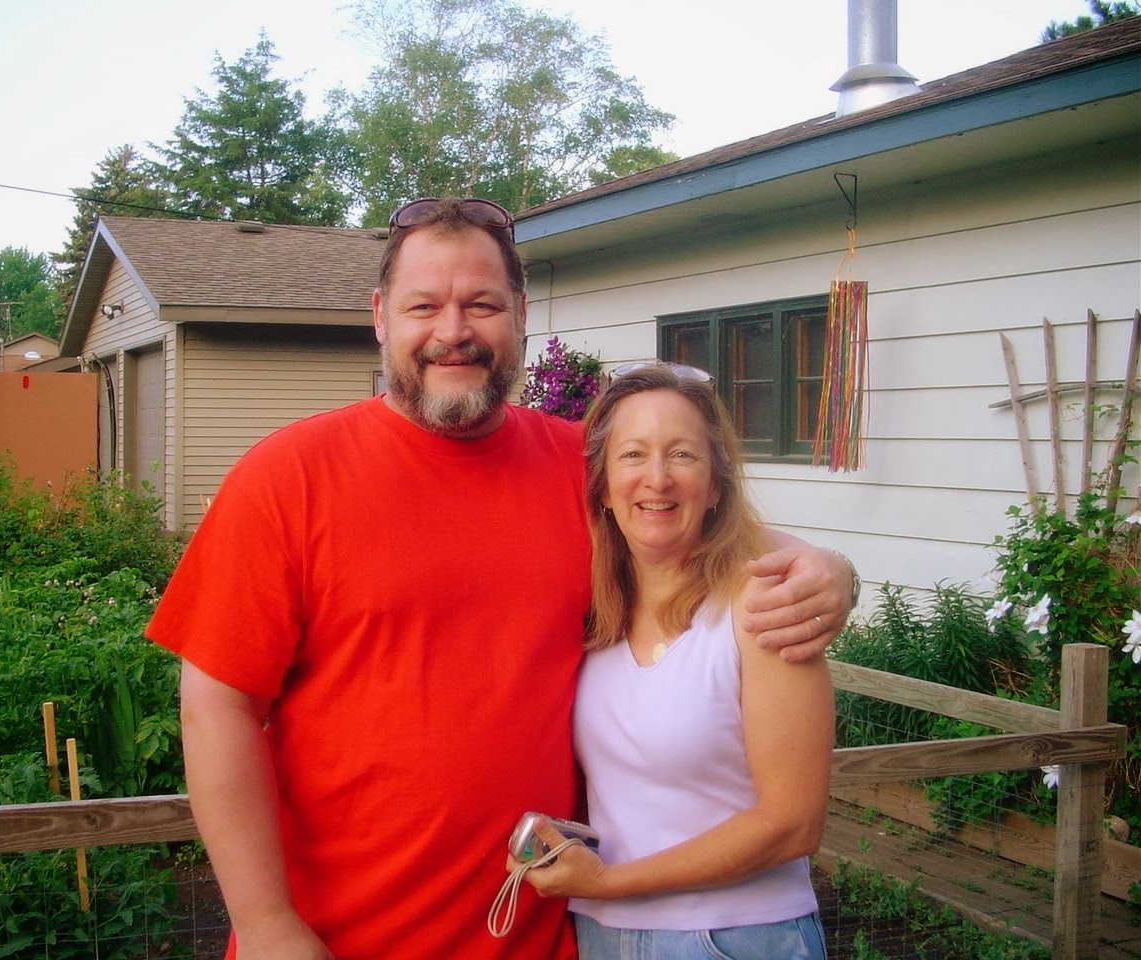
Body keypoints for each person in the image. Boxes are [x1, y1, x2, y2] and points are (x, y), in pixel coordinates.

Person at [146, 198, 853, 960]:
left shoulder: (578, 466)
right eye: (425, 306)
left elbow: (697, 520)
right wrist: (266, 923)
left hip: (542, 935)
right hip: (339, 942)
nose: (453, 332)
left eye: (481, 304)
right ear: (381, 316)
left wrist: (830, 570)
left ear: (520, 313)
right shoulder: (288, 479)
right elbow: (215, 706)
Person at [513, 364, 834, 959]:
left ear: (715, 484)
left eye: (682, 455)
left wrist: (609, 883)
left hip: (733, 938)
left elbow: (793, 824)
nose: (656, 479)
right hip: (604, 937)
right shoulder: (594, 615)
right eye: (632, 455)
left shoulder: (763, 610)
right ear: (603, 487)